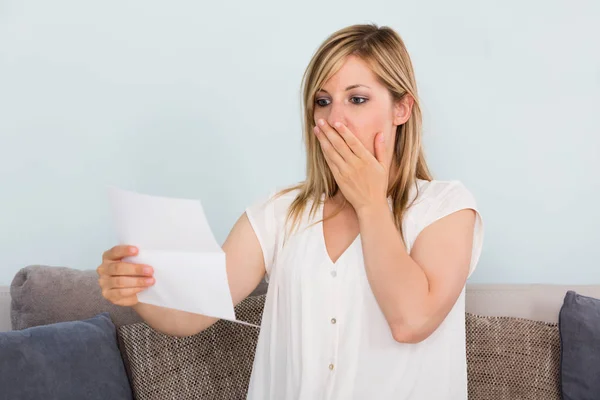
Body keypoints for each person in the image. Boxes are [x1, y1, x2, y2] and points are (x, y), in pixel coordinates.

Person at [97, 23, 484, 399]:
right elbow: (188, 313)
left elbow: (411, 321)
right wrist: (136, 287)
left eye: (357, 99)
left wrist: (370, 202)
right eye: (323, 101)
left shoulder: (446, 208)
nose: (335, 119)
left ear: (401, 109)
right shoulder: (281, 213)